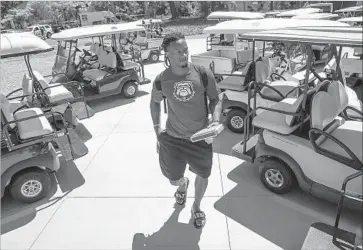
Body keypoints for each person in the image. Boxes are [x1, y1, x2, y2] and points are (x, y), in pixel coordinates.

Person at [150, 32, 222, 229]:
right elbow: (154, 103)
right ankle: (182, 184)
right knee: (173, 179)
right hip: (173, 138)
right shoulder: (161, 80)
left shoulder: (202, 74)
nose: (184, 55)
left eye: (185, 50)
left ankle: (196, 207)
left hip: (200, 137)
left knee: (204, 175)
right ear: (168, 56)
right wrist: (157, 131)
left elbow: (215, 99)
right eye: (178, 52)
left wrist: (215, 121)